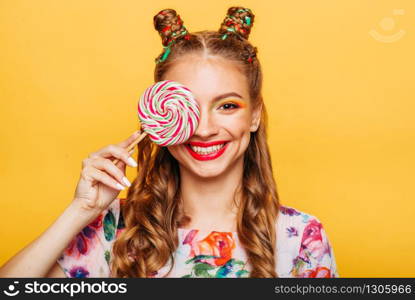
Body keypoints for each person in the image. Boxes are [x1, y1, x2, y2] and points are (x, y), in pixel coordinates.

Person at [0, 7, 338, 278]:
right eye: (187, 106)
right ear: (159, 116)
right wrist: (80, 211)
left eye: (227, 106)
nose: (204, 128)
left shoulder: (301, 238)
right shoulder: (116, 230)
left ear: (253, 116)